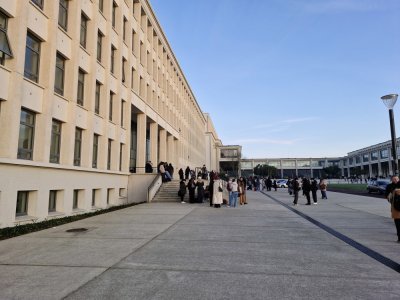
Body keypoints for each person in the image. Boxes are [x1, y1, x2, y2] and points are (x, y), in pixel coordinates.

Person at [385, 175, 400, 242]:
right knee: (397, 222)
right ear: (392, 180)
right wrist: (390, 199)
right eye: (394, 179)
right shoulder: (389, 186)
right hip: (395, 207)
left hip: (395, 206)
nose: (396, 180)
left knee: (398, 222)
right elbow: (386, 195)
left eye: (397, 179)